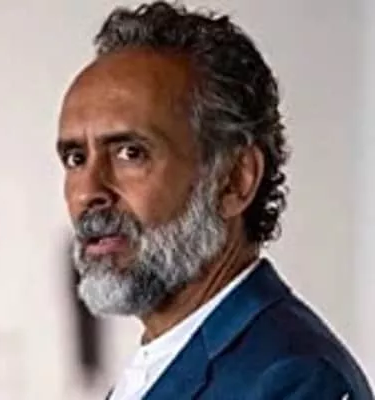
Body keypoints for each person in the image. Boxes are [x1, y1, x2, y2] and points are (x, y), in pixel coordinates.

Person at [56, 2, 374, 399]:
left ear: (234, 181)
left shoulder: (295, 381)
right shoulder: (160, 359)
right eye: (75, 158)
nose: (87, 192)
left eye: (130, 153)